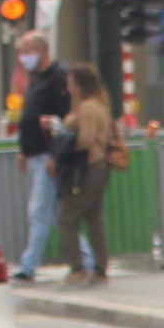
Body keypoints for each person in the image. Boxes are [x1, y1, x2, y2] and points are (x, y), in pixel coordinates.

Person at [11, 33, 80, 283]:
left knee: (39, 211)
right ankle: (87, 260)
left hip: (47, 156)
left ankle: (28, 267)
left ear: (41, 51)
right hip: (36, 154)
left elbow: (64, 123)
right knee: (51, 215)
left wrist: (54, 155)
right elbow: (30, 117)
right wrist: (24, 149)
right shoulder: (37, 79)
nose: (23, 57)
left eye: (26, 51)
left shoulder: (57, 78)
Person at [52, 64, 115, 289]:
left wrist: (61, 153)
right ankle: (100, 268)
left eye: (70, 82)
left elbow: (85, 139)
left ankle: (77, 268)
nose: (68, 87)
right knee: (94, 219)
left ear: (78, 84)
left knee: (67, 218)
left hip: (88, 166)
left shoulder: (87, 108)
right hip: (101, 166)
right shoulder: (100, 105)